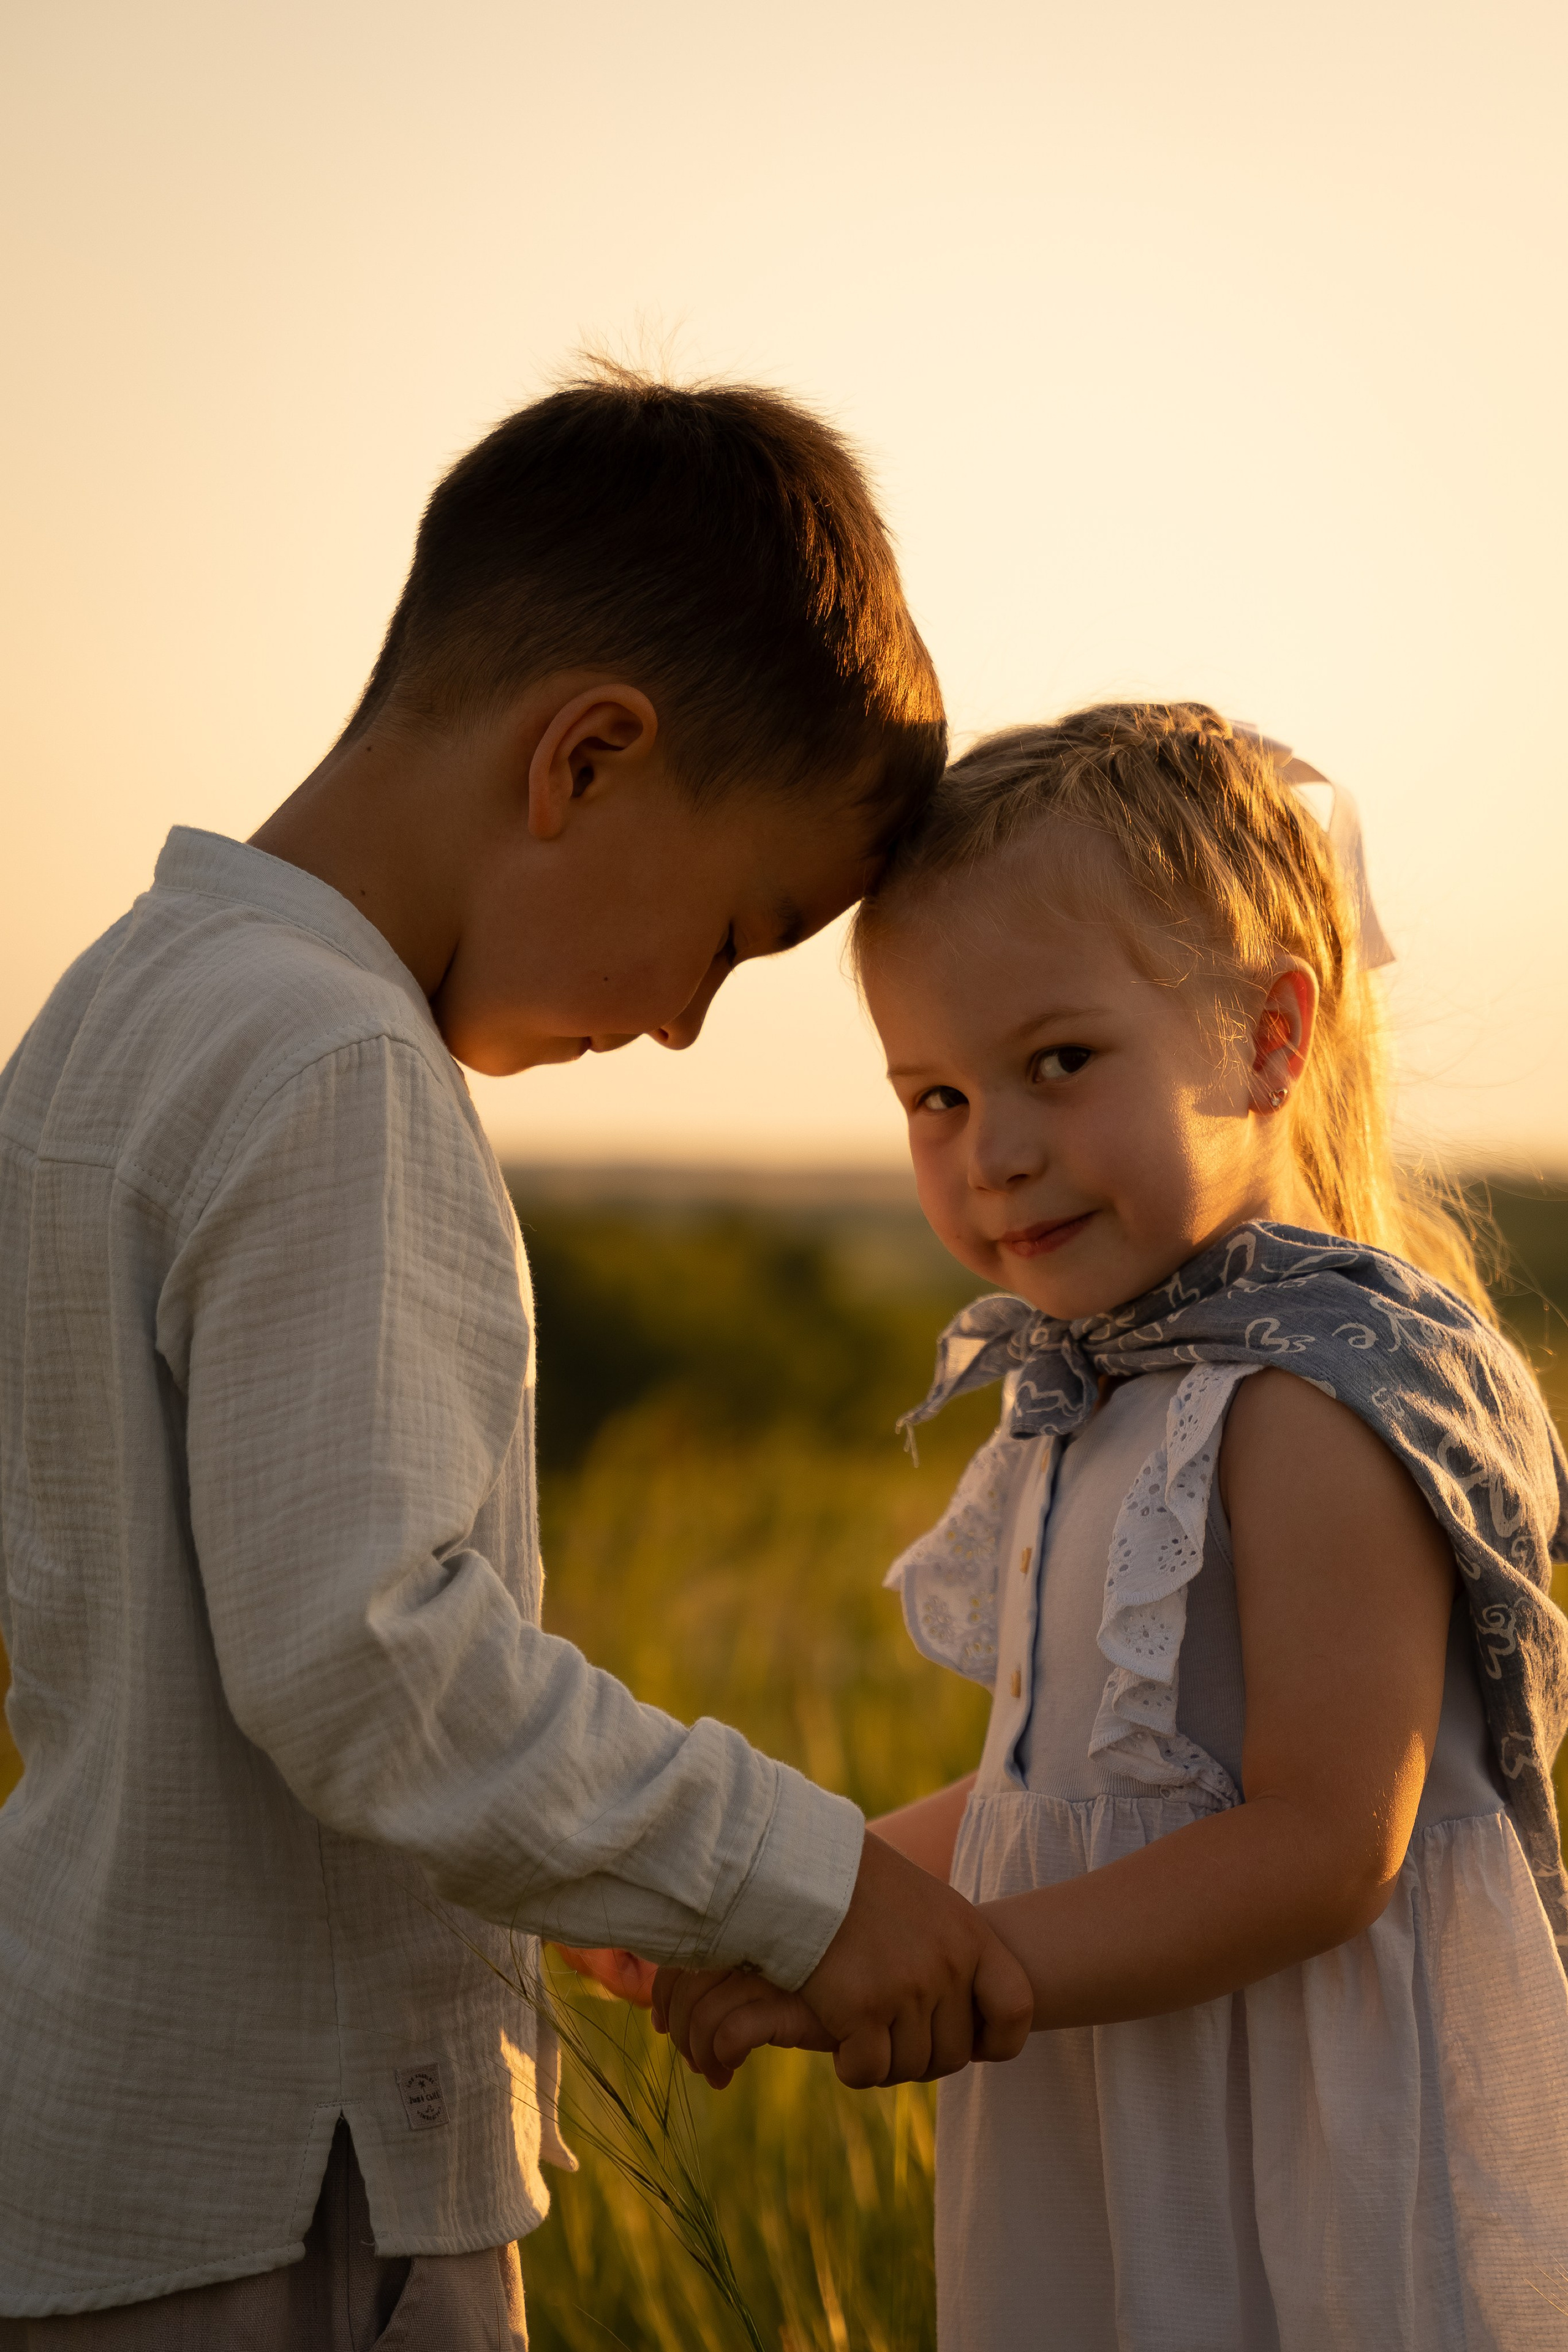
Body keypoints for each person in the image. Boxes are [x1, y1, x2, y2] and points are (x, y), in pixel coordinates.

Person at [0, 368, 1033, 2346]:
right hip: (289, 2201)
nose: (683, 1032)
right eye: (735, 935)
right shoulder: (339, 1066)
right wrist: (806, 1877)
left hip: (97, 2135)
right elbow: (375, 1665)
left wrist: (584, 1880)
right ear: (584, 759)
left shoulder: (110, 1006)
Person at [655, 703, 1568, 2350]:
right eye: (932, 1095)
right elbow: (1053, 1791)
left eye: (1057, 1064)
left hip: (1282, 2146)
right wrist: (795, 1908)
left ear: (1272, 1034)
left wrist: (972, 1966)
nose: (993, 1152)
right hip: (1108, 2093)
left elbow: (1323, 1847)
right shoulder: (1101, 1385)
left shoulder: (1306, 1397)